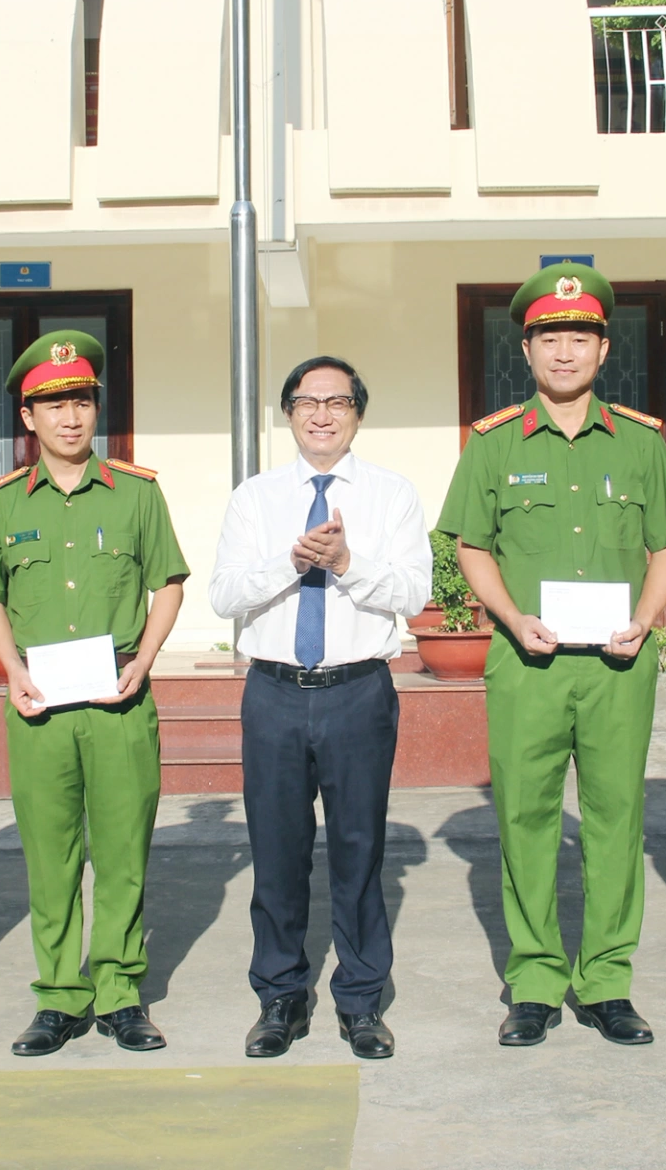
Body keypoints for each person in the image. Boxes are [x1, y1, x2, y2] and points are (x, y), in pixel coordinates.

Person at [435, 262, 666, 1048]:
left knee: (617, 819)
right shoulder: (493, 444)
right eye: (551, 337)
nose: (565, 352)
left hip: (617, 663)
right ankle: (538, 979)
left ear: (604, 349)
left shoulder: (643, 444)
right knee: (526, 816)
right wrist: (509, 618)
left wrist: (646, 622)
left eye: (580, 337)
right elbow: (473, 547)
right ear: (528, 348)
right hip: (528, 661)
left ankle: (608, 980)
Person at [0, 330, 189, 1057]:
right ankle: (59, 996)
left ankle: (120, 992)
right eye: (52, 404)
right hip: (38, 705)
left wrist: (145, 660)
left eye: (81, 400)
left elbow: (169, 583)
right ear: (28, 418)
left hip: (119, 699)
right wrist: (8, 669)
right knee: (50, 855)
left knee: (122, 852)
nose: (69, 416)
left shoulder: (137, 495)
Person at [211, 356, 433, 1061]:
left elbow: (412, 593)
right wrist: (293, 559)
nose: (322, 413)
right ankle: (280, 997)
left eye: (338, 401)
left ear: (357, 414)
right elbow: (224, 595)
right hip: (274, 692)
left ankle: (362, 1002)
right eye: (307, 401)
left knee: (359, 853)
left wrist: (345, 563)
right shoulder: (255, 497)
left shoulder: (392, 495)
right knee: (276, 854)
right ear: (287, 413)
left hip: (357, 692)